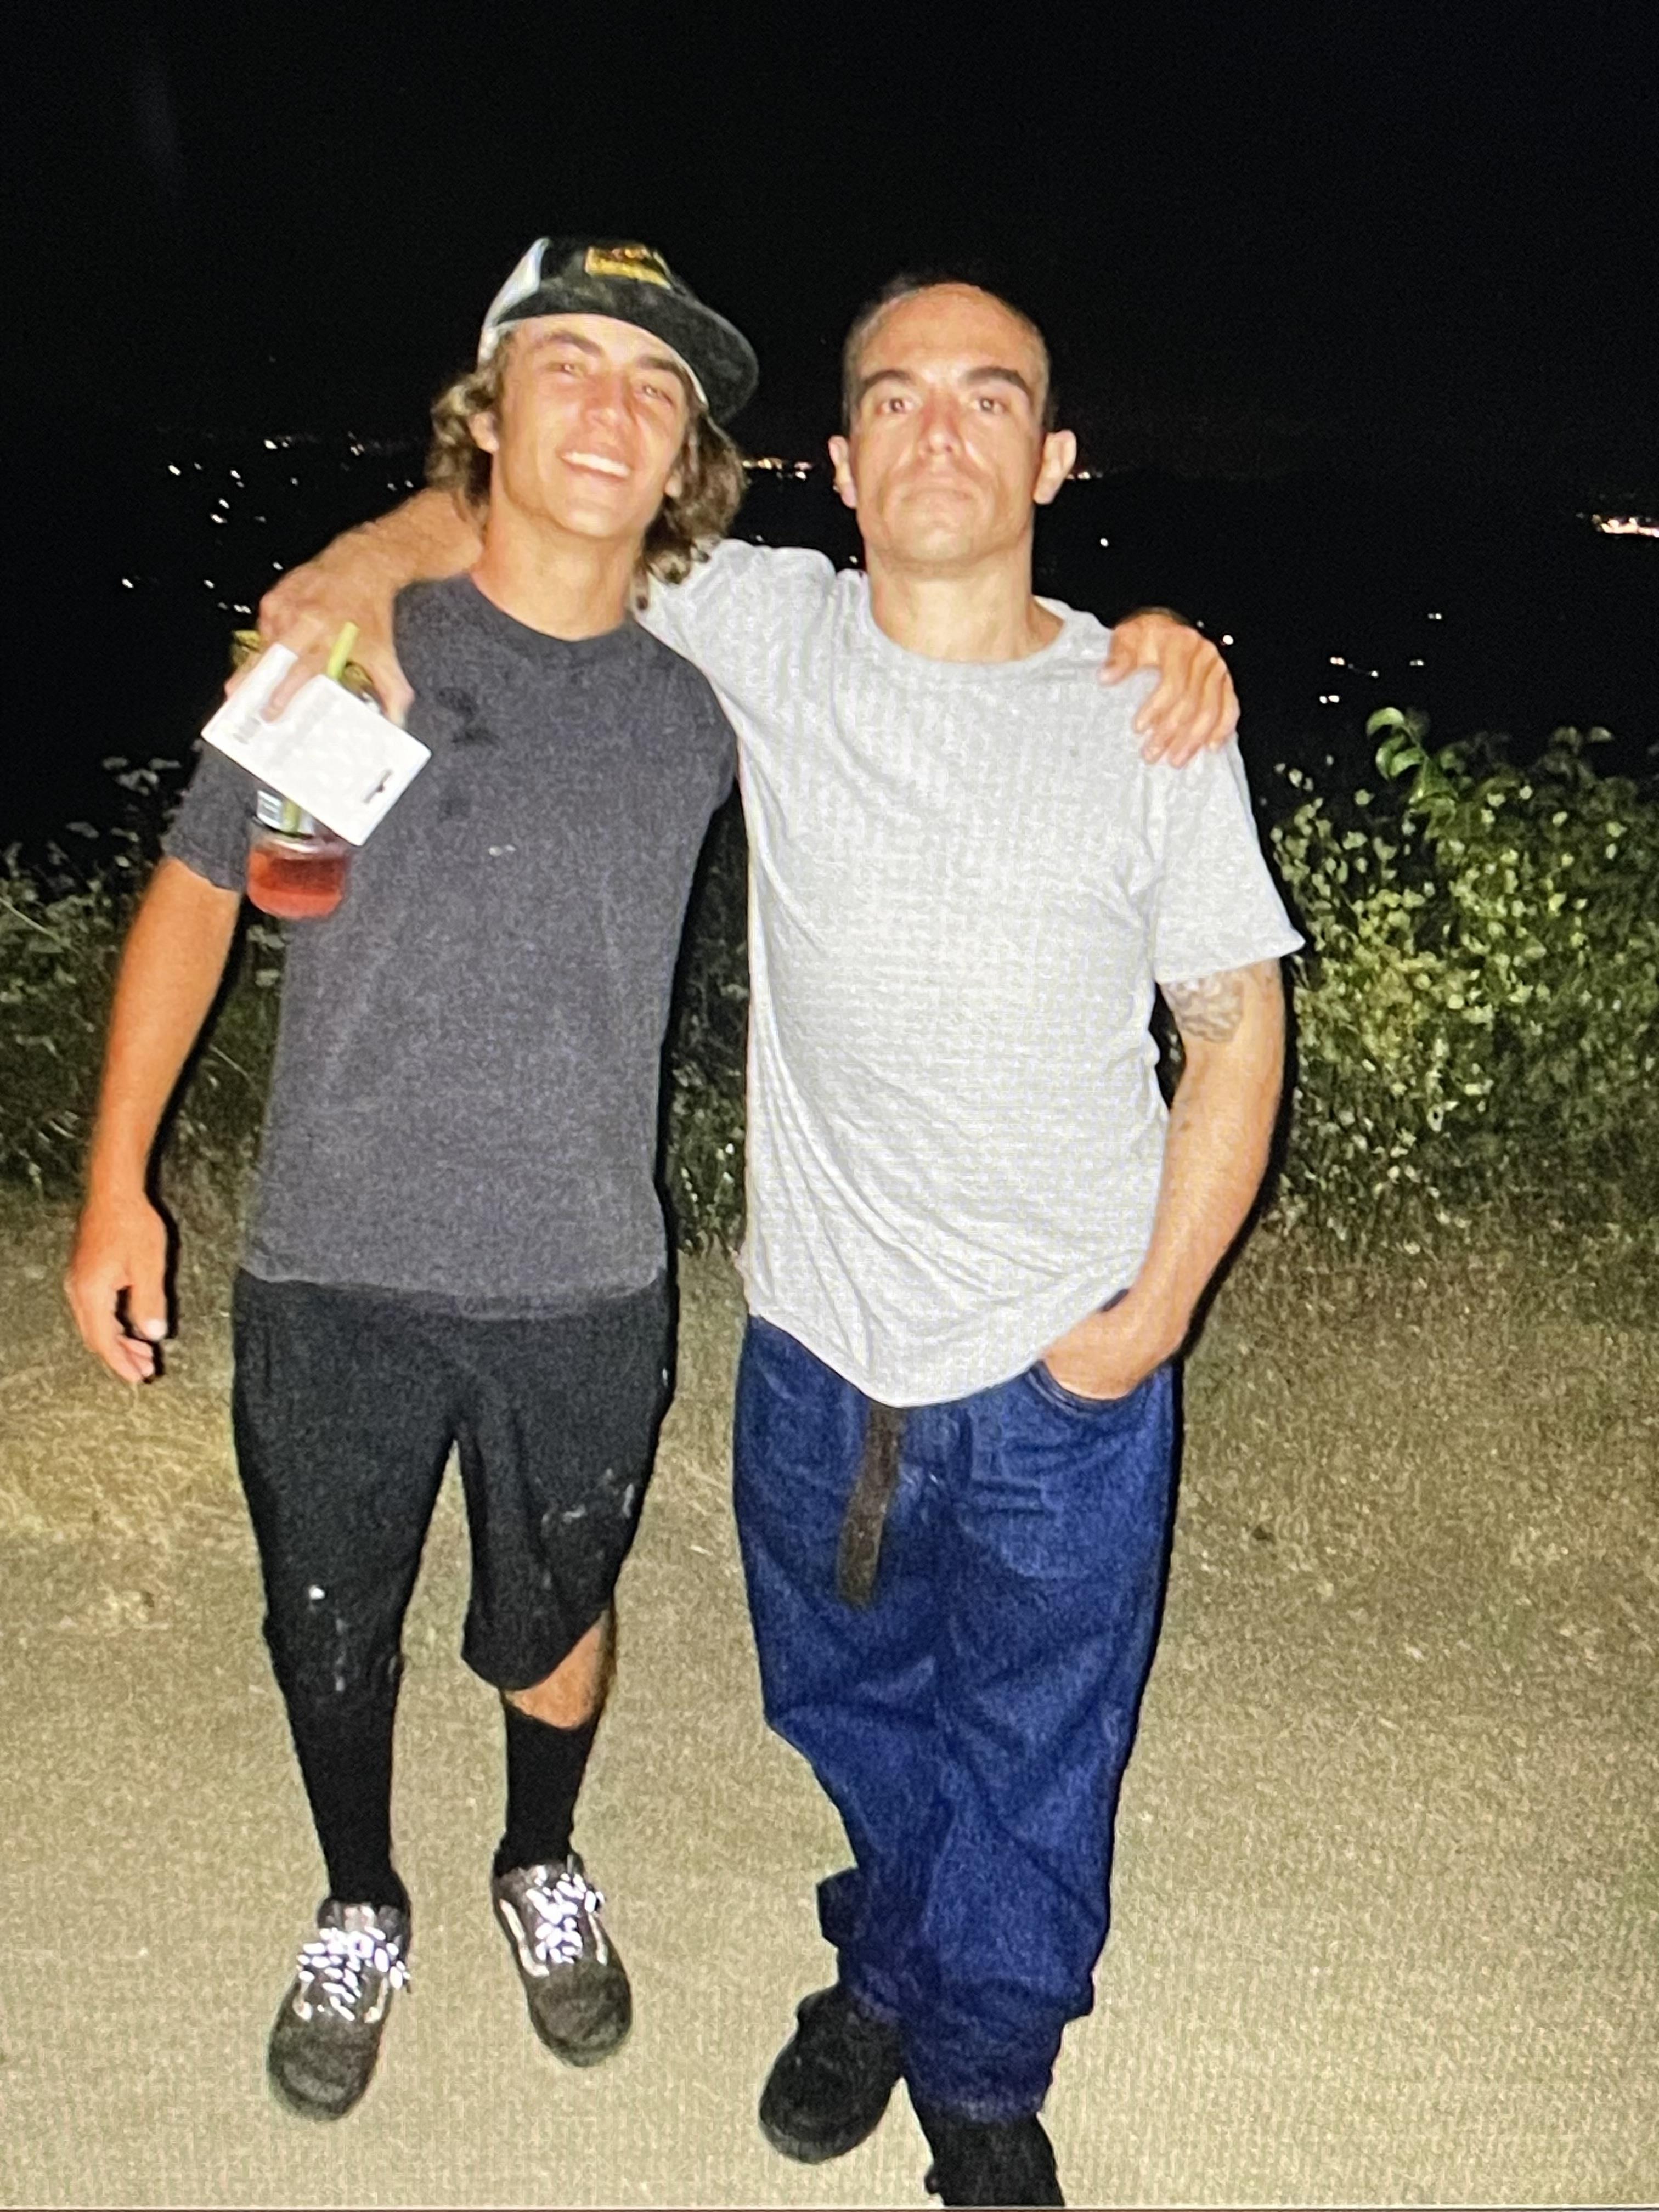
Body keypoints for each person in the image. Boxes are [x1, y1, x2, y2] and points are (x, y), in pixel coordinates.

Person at [252, 272, 1291, 2205]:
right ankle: (885, 1968)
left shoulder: (1149, 708)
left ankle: (981, 2072)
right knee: (848, 1708)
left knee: (1038, 1744)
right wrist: (350, 564)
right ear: (838, 457)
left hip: (1061, 1360)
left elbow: (1235, 1022)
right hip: (816, 1344)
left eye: (992, 402)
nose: (942, 434)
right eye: (896, 400)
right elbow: (533, 519)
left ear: (1054, 456)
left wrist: (1150, 1318)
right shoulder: (770, 626)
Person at [66, 237, 761, 2123]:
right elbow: (221, 892)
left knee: (556, 1609)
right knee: (330, 1620)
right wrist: (115, 1183)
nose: (612, 405)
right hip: (339, 1261)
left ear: (690, 448)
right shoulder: (368, 656)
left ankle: (538, 1857)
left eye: (655, 382)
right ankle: (359, 1896)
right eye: (569, 364)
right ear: (489, 408)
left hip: (582, 1280)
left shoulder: (714, 696)